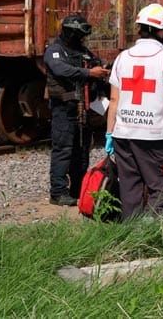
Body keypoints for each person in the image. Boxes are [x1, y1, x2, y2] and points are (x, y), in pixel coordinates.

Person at [105, 3, 163, 219]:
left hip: (123, 134)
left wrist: (110, 132)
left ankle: (131, 234)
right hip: (153, 136)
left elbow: (114, 99)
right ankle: (152, 232)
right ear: (160, 31)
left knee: (130, 188)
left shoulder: (123, 57)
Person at [44, 15, 110, 206]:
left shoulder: (83, 52)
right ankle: (57, 193)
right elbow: (60, 70)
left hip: (83, 111)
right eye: (78, 34)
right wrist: (89, 73)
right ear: (70, 32)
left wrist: (101, 71)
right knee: (63, 150)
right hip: (64, 110)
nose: (81, 38)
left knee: (81, 151)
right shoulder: (55, 51)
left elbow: (95, 64)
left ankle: (77, 189)